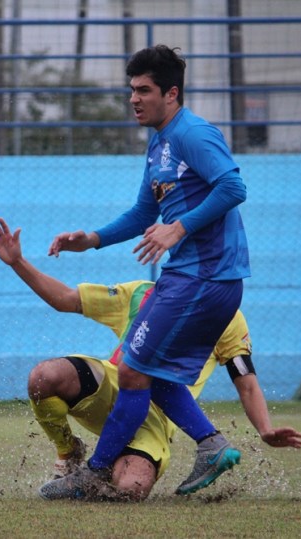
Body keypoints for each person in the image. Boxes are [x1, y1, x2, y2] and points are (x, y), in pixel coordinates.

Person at [46, 44, 252, 496]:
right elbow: (143, 213)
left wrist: (178, 228)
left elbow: (233, 186)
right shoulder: (158, 143)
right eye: (131, 91)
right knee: (147, 374)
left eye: (144, 90)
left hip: (205, 278)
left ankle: (96, 471)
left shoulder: (192, 134)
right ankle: (211, 445)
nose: (134, 99)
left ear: (171, 93)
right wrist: (92, 240)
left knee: (135, 371)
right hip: (190, 278)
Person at [0, 218, 301, 501]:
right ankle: (69, 452)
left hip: (156, 419)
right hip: (113, 385)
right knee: (44, 377)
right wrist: (18, 263)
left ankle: (107, 466)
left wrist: (265, 429)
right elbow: (66, 299)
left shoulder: (225, 314)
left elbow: (246, 383)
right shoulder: (139, 292)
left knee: (129, 490)